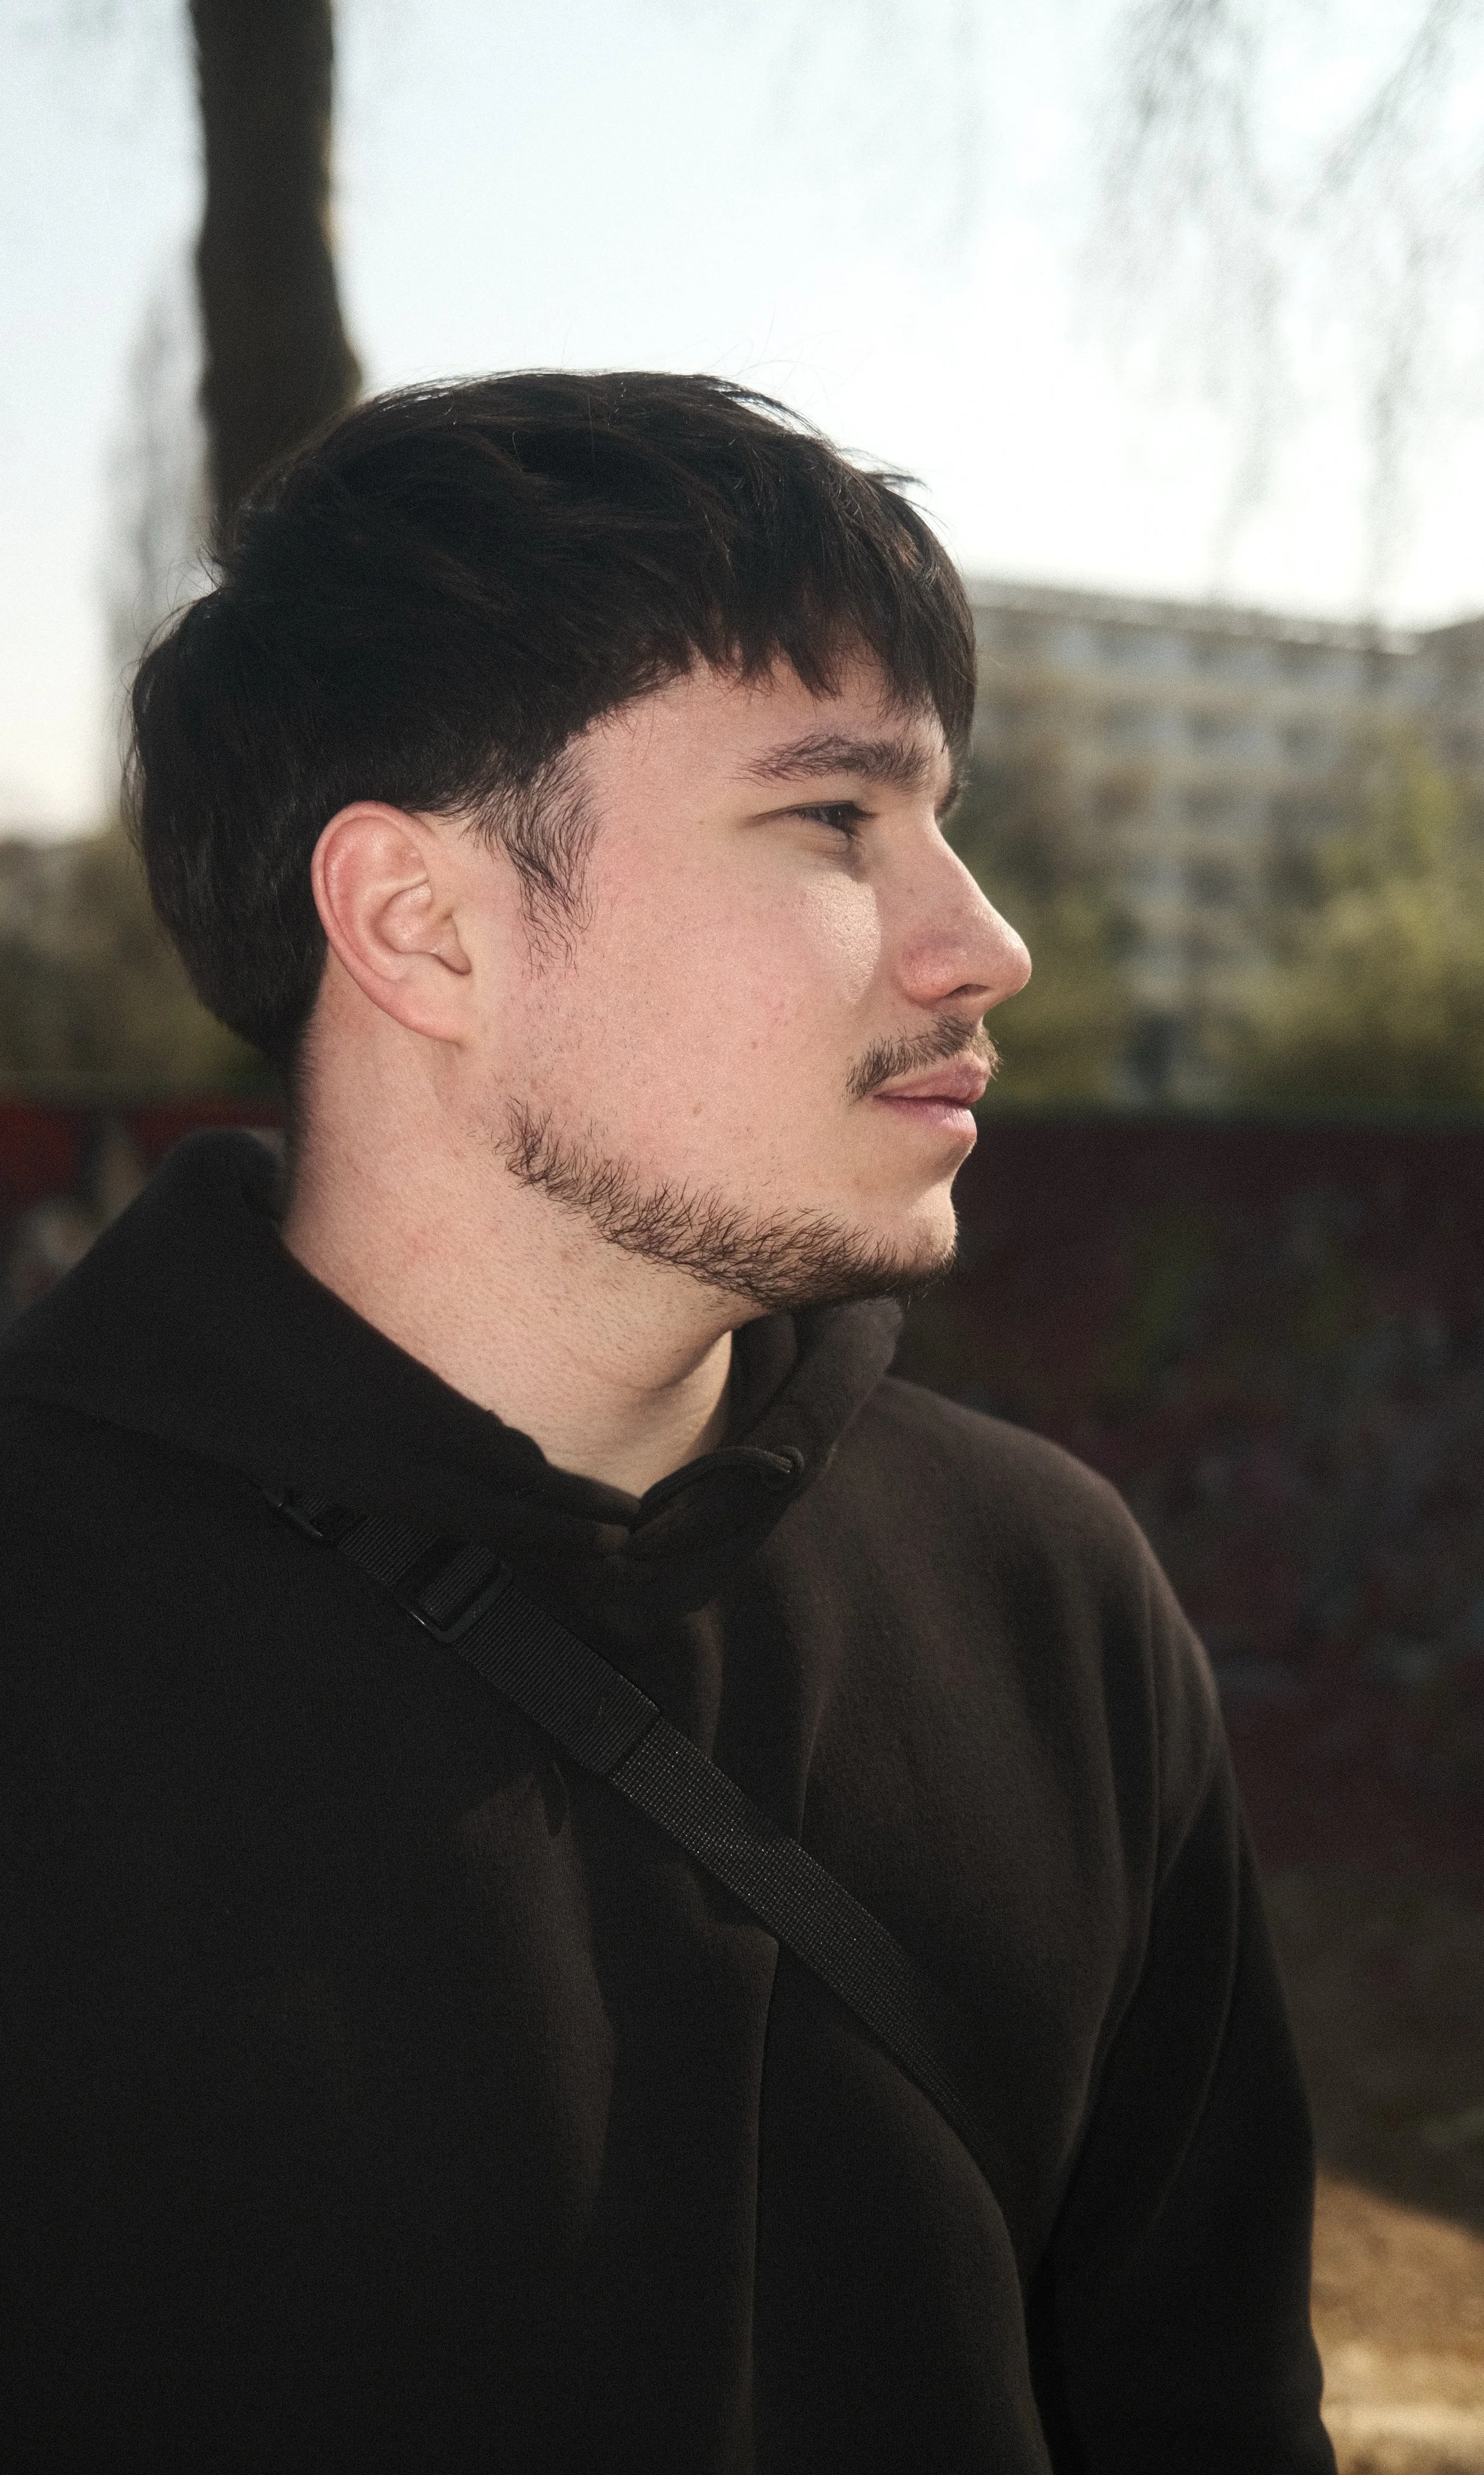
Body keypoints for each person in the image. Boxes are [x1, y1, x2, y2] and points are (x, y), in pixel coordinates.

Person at [0, 373, 1334, 2473]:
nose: (984, 942)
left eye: (939, 819)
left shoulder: (1042, 1601)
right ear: (421, 925)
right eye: (832, 818)